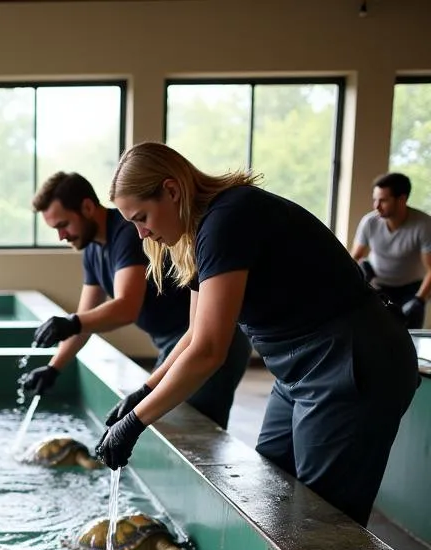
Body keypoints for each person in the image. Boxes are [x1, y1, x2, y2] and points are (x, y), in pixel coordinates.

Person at [96, 141, 418, 527]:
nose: (142, 234)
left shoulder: (228, 217)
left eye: (141, 217)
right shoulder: (203, 230)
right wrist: (144, 392)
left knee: (322, 522)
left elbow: (210, 351)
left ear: (171, 190)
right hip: (297, 366)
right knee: (271, 489)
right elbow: (194, 334)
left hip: (350, 360)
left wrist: (136, 423)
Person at [23, 171, 251, 429]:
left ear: (87, 207)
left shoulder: (127, 234)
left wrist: (71, 322)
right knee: (165, 425)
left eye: (63, 225)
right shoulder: (92, 250)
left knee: (193, 431)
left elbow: (125, 308)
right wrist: (54, 368)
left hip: (207, 341)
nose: (61, 236)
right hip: (174, 345)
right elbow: (84, 321)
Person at [351, 172, 431, 329]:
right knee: (375, 332)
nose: (376, 206)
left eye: (383, 200)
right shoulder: (369, 222)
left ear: (402, 199)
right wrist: (359, 273)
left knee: (410, 336)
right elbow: (354, 257)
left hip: (411, 290)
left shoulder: (424, 224)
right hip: (378, 286)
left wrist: (419, 299)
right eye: (375, 200)